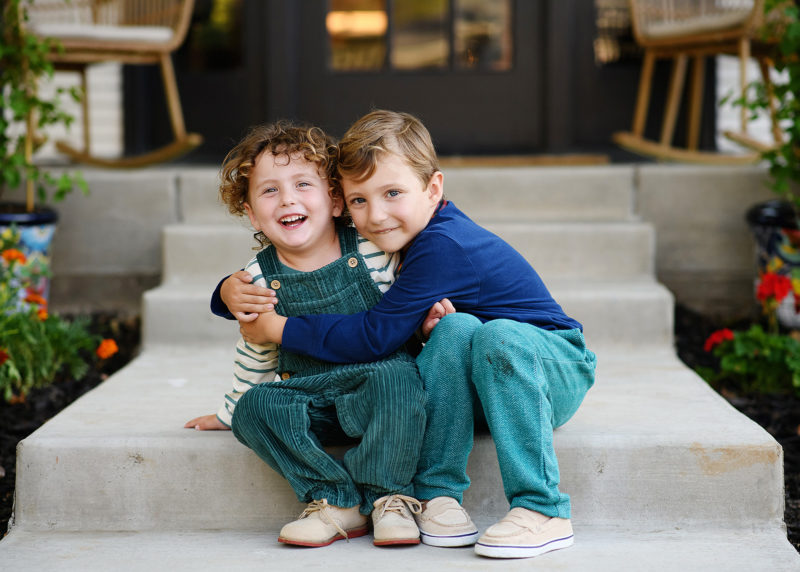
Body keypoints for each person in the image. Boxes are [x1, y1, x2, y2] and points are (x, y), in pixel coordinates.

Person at [216, 110, 597, 560]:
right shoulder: (393, 241)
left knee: (491, 336)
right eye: (359, 200)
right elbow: (299, 254)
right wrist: (225, 293)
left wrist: (277, 327)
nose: (375, 215)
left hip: (549, 368)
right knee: (455, 328)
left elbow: (375, 336)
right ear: (342, 201)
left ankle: (542, 508)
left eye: (392, 193)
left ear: (433, 189)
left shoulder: (441, 245)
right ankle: (438, 496)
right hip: (484, 379)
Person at [185, 120, 429, 548]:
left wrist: (430, 321)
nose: (287, 199)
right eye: (269, 190)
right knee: (254, 407)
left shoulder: (373, 248)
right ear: (250, 211)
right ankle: (335, 499)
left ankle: (388, 496)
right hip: (309, 400)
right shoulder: (258, 277)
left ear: (335, 200)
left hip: (380, 395)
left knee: (399, 376)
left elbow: (407, 305)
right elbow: (256, 349)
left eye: (302, 184)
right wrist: (229, 413)